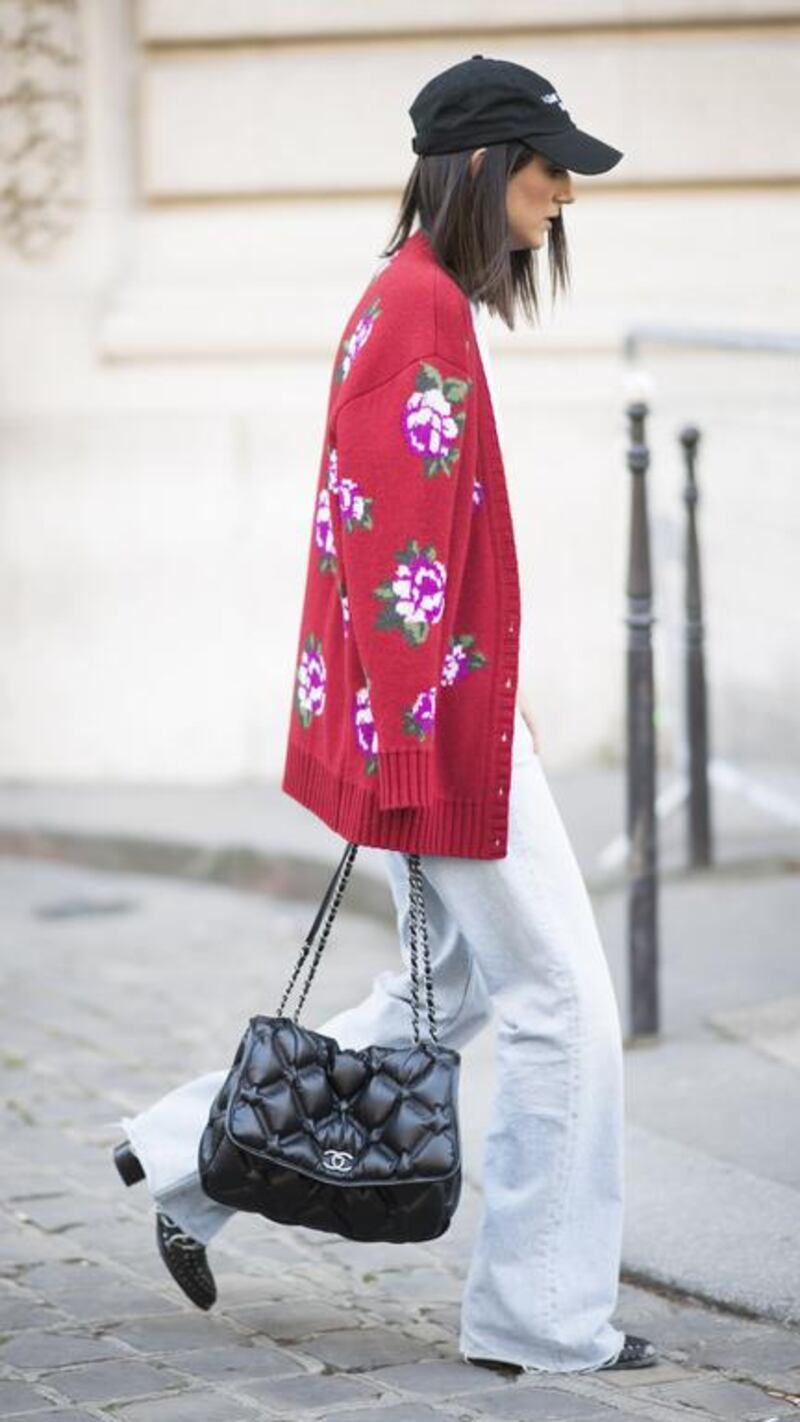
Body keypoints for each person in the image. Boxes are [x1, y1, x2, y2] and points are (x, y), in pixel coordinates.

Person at [113, 55, 659, 1375]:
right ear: (481, 165)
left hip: (455, 726)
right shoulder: (413, 311)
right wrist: (420, 744)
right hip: (438, 744)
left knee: (444, 998)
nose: (563, 195)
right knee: (562, 1007)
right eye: (547, 167)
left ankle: (188, 1153)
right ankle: (541, 1313)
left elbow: (426, 557)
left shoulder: (426, 305)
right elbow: (387, 555)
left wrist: (486, 702)